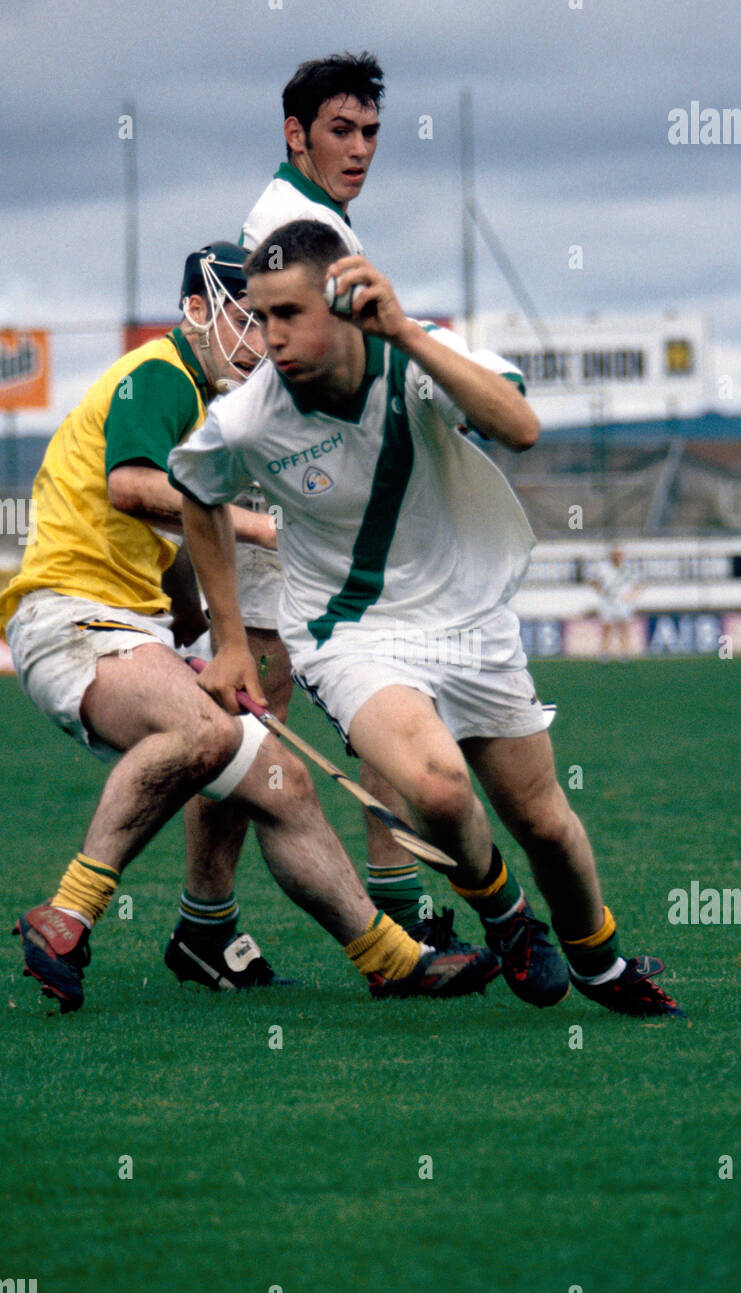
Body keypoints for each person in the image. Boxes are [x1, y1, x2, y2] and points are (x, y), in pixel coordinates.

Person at [169, 220, 685, 1018]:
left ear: (344, 302)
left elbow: (518, 427)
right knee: (438, 788)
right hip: (351, 635)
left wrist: (405, 332)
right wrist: (230, 641)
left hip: (472, 622)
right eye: (259, 315)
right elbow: (196, 492)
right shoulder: (247, 417)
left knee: (545, 824)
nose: (269, 337)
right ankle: (507, 917)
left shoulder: (416, 354)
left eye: (288, 314)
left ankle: (599, 960)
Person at [1, 239, 496, 1012]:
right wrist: (262, 529)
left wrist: (199, 636)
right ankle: (66, 915)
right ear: (195, 312)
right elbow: (131, 488)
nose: (259, 340)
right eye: (243, 318)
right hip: (72, 619)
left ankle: (393, 960)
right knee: (201, 737)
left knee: (283, 783)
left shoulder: (202, 408)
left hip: (127, 627)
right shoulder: (160, 375)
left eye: (266, 322)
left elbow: (156, 544)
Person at [186, 49, 468, 960]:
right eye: (340, 131)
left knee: (294, 707)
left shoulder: (314, 215)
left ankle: (230, 919)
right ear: (294, 133)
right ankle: (206, 920)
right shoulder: (297, 221)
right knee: (259, 713)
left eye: (371, 133)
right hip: (303, 494)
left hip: (311, 490)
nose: (360, 149)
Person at [591, 546, 640, 660]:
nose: (618, 557)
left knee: (624, 627)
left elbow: (638, 585)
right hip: (608, 602)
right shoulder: (603, 568)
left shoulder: (628, 569)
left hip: (623, 602)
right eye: (615, 555)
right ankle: (604, 652)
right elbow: (593, 581)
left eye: (620, 555)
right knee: (607, 627)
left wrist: (631, 596)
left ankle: (624, 652)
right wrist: (601, 591)